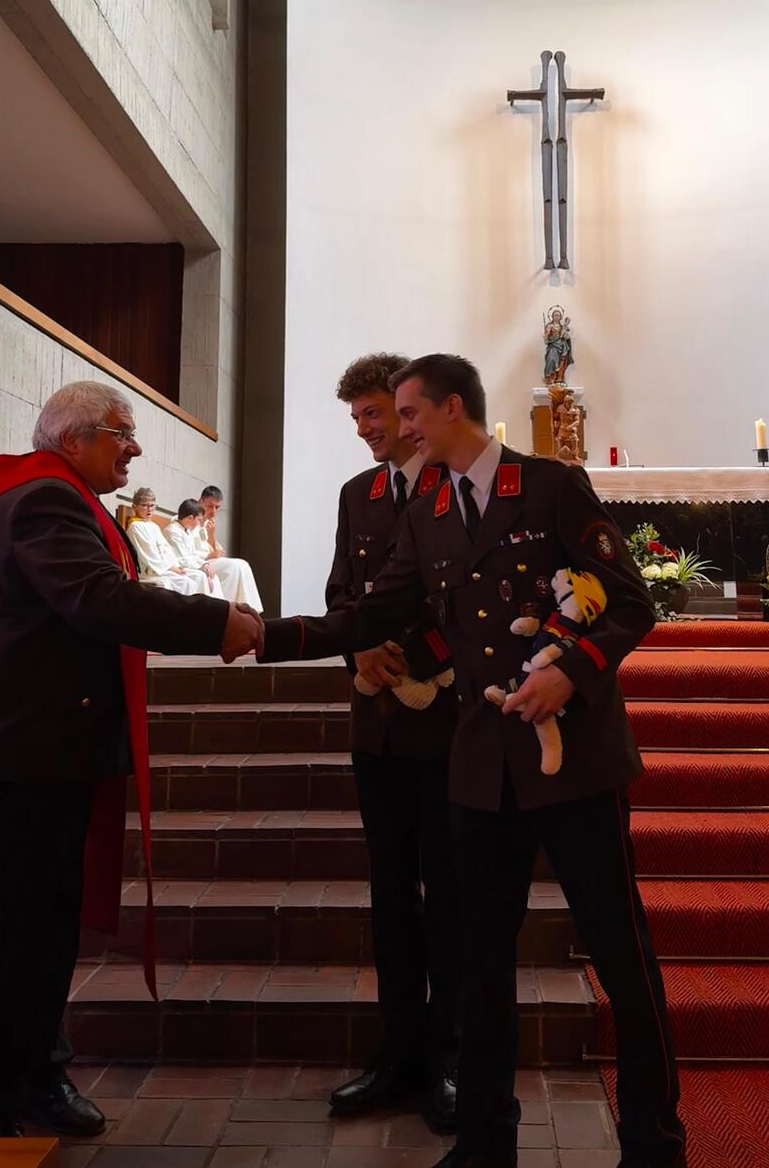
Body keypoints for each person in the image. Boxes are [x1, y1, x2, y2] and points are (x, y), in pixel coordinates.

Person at [259, 354, 685, 1168]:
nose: (400, 430)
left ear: (451, 408)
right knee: (480, 962)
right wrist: (264, 635)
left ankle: (654, 1143)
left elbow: (630, 603)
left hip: (575, 763)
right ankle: (486, 1144)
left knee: (620, 955)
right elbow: (373, 612)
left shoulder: (549, 486)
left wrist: (571, 671)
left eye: (408, 414)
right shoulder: (426, 512)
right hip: (482, 765)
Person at [0, 381, 263, 1140]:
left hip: (49, 753)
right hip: (17, 759)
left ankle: (39, 1074)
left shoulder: (63, 497)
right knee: (13, 936)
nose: (136, 447)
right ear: (72, 438)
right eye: (121, 432)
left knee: (49, 929)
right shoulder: (44, 502)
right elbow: (100, 600)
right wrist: (216, 621)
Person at [325, 354, 459, 1131]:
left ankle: (450, 1059)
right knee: (389, 894)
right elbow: (341, 592)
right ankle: (397, 1054)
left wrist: (417, 656)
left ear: (410, 410)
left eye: (374, 414)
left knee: (449, 895)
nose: (366, 431)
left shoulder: (458, 482)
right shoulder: (359, 494)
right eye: (357, 419)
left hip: (447, 723)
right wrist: (359, 653)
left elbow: (473, 597)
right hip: (376, 722)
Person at [126, 486, 224, 596]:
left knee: (197, 578)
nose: (149, 509)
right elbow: (149, 555)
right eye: (145, 505)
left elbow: (166, 549)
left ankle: (209, 606)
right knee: (187, 582)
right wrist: (171, 567)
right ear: (134, 507)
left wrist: (175, 566)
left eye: (152, 505)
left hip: (166, 567)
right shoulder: (135, 526)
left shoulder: (153, 526)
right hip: (151, 571)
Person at [191, 485, 264, 609]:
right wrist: (210, 555)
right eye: (210, 506)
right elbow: (188, 550)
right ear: (200, 501)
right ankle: (227, 610)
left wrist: (211, 535)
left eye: (217, 507)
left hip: (210, 560)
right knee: (234, 567)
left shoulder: (209, 524)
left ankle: (250, 611)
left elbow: (218, 552)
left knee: (243, 564)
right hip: (198, 563)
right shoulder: (189, 519)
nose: (213, 512)